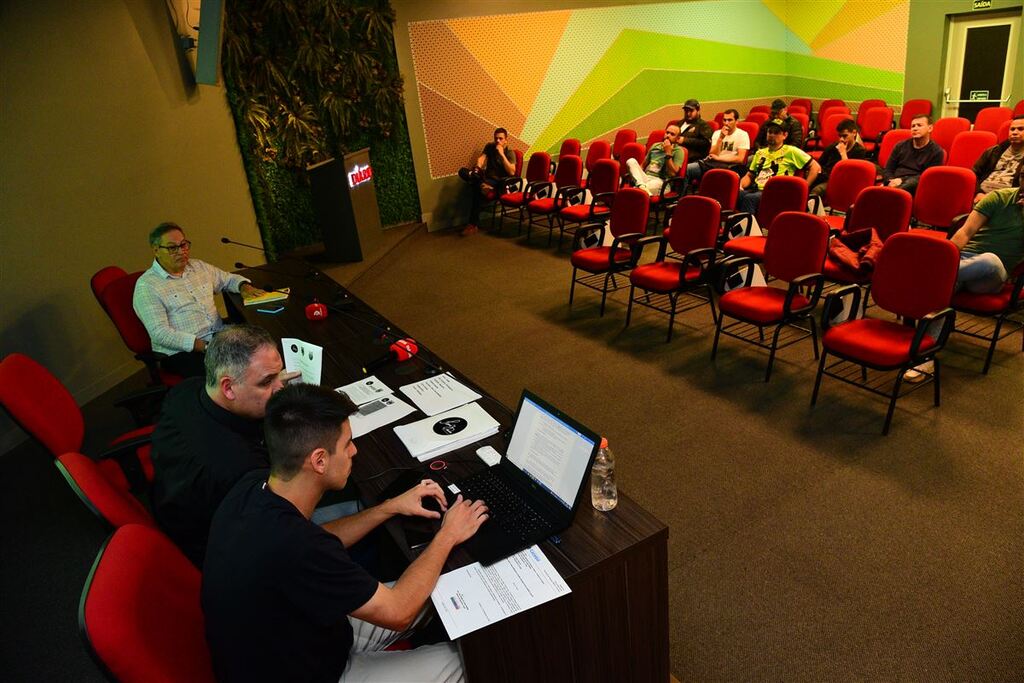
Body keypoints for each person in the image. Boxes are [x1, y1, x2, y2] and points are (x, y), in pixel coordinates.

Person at [202, 383, 489, 683]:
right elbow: (399, 610)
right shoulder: (297, 548)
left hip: (306, 637)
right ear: (319, 460)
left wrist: (388, 507)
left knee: (444, 590)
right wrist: (448, 534)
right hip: (311, 671)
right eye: (347, 443)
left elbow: (322, 536)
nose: (355, 450)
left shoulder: (252, 488)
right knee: (467, 662)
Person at [150, 324, 298, 566]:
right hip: (224, 551)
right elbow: (278, 536)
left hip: (170, 505)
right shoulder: (241, 470)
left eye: (278, 374)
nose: (280, 388)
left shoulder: (186, 390)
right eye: (267, 381)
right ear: (228, 387)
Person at [905, 164, 1024, 382]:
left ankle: (926, 277)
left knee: (988, 261)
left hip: (993, 275)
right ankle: (926, 356)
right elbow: (965, 231)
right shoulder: (998, 197)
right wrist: (945, 259)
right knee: (946, 286)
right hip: (965, 263)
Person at [133, 222, 264, 378]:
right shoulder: (147, 286)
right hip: (183, 352)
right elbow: (160, 334)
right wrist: (205, 346)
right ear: (156, 250)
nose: (181, 251)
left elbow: (227, 279)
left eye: (184, 245)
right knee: (237, 374)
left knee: (262, 350)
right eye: (172, 248)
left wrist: (244, 287)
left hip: (217, 336)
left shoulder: (198, 267)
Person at [736, 121, 820, 214]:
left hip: (777, 191)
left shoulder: (791, 151)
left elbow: (815, 167)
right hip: (757, 189)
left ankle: (749, 227)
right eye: (770, 132)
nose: (772, 135)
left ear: (785, 135)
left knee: (750, 199)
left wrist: (804, 187)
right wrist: (741, 186)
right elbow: (749, 175)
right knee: (738, 194)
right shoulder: (760, 153)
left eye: (776, 133)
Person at [457, 128, 516, 236]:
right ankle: (479, 182)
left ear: (506, 140)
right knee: (463, 171)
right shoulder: (489, 147)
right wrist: (477, 168)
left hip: (499, 182)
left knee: (476, 190)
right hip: (486, 178)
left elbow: (512, 172)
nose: (498, 141)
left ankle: (472, 225)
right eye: (496, 138)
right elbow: (481, 159)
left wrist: (502, 154)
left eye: (501, 139)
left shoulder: (509, 152)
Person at [683, 108, 750, 187]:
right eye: (724, 120)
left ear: (736, 121)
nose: (726, 123)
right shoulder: (717, 133)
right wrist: (721, 138)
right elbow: (713, 153)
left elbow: (740, 159)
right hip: (712, 164)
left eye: (729, 120)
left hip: (731, 167)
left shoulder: (743, 135)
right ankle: (680, 197)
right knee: (686, 169)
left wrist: (719, 158)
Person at [882, 114, 943, 196]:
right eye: (913, 126)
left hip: (914, 185)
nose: (915, 128)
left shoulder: (936, 152)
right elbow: (888, 168)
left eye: (919, 125)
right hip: (894, 181)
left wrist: (901, 180)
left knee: (912, 183)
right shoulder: (900, 145)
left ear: (930, 128)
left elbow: (927, 178)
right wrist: (889, 181)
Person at [809, 118, 868, 197]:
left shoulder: (859, 151)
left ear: (854, 133)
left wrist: (843, 153)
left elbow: (849, 173)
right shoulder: (833, 147)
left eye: (844, 136)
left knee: (816, 191)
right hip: (825, 177)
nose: (841, 139)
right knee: (804, 185)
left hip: (841, 181)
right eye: (840, 136)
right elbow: (819, 164)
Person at [972, 116, 1024, 203]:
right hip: (982, 195)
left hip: (1007, 199)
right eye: (1012, 129)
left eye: (1020, 129)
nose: (1015, 132)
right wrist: (978, 193)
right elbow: (974, 174)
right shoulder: (994, 151)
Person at [625, 123, 685, 196]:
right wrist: (636, 175)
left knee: (641, 189)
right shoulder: (655, 145)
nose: (668, 136)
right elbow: (643, 165)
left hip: (661, 182)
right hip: (646, 177)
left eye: (672, 134)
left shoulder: (678, 151)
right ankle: (641, 187)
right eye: (667, 132)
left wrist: (668, 153)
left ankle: (640, 188)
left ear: (677, 139)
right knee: (631, 161)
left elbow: (672, 173)